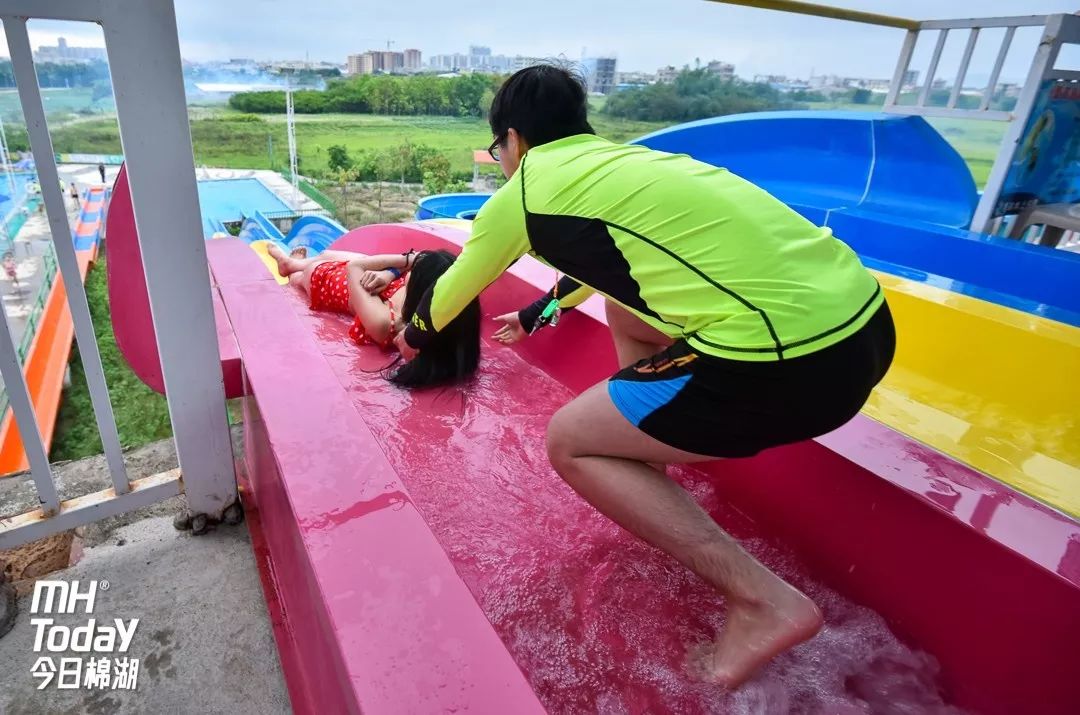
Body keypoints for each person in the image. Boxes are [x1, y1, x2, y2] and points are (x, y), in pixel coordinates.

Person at [394, 65, 896, 688]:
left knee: (569, 439)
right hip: (865, 330)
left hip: (788, 362)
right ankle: (643, 460)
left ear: (514, 141)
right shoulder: (625, 165)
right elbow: (604, 269)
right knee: (624, 306)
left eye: (500, 150)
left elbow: (449, 296)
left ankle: (763, 600)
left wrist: (408, 336)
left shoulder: (521, 193)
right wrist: (535, 314)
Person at [269, 245, 481, 386]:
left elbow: (355, 268)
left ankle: (292, 269)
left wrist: (410, 259)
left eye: (413, 270)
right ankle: (293, 263)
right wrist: (390, 273)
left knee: (310, 271)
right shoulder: (440, 302)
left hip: (331, 282)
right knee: (327, 253)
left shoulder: (385, 323)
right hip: (370, 276)